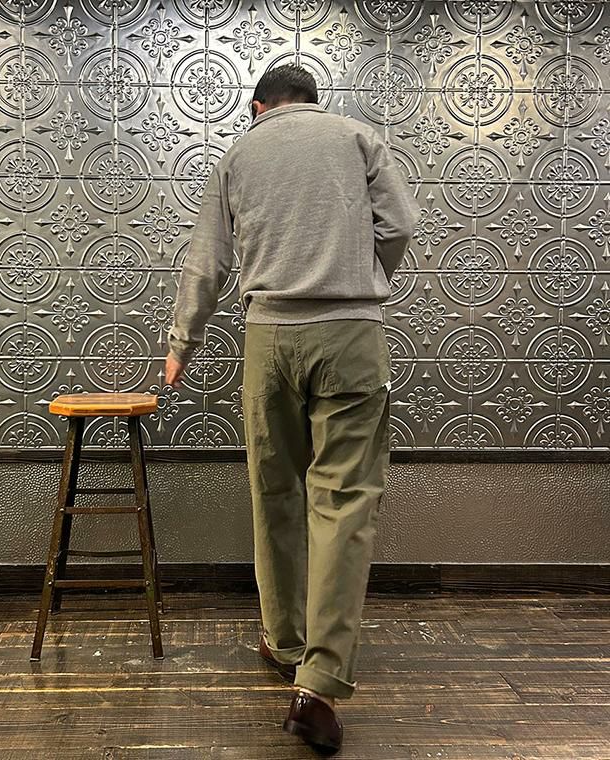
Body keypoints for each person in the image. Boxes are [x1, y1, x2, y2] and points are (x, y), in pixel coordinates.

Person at [165, 64, 421, 754]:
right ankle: (319, 684)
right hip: (352, 335)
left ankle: (283, 641)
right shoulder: (358, 137)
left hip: (268, 335)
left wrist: (181, 344)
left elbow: (207, 260)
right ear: (312, 101)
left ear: (258, 107)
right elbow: (400, 223)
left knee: (275, 489)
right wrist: (363, 279)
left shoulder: (239, 154)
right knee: (344, 501)